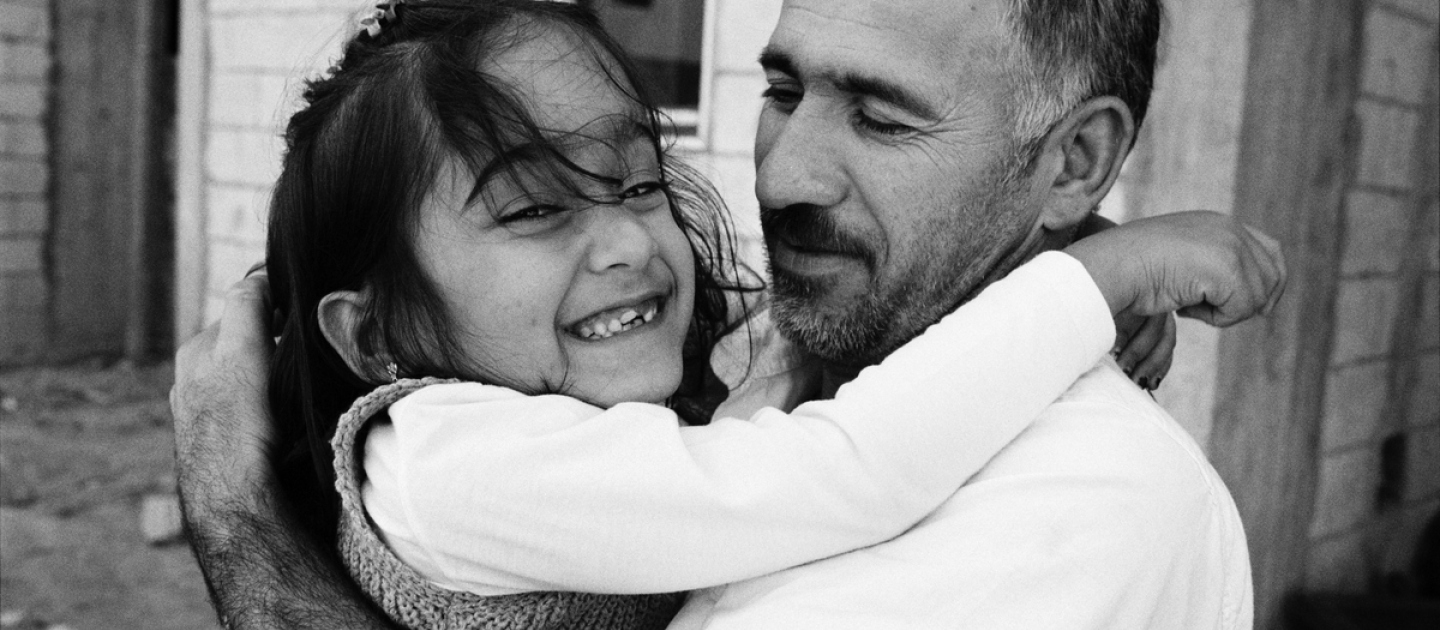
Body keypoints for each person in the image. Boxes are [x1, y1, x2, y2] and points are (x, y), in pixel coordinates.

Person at [170, 0, 1284, 628]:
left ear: (1073, 162)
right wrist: (1089, 275)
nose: (786, 173)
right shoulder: (457, 461)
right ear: (368, 333)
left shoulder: (1078, 521)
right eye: (784, 92)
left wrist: (238, 515)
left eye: (882, 119)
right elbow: (826, 461)